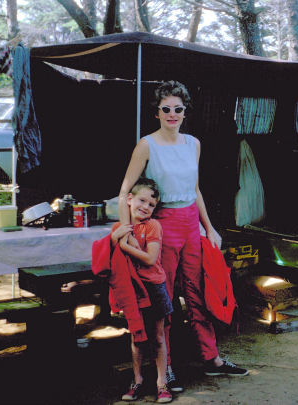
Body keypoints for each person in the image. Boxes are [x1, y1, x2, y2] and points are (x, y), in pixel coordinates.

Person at [118, 80, 248, 393]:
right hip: (163, 224)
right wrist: (128, 232)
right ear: (157, 112)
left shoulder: (193, 144)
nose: (172, 114)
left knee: (200, 293)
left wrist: (210, 227)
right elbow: (124, 191)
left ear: (185, 112)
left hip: (191, 223)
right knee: (164, 300)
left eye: (178, 109)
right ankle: (167, 369)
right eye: (166, 109)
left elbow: (195, 190)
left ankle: (211, 358)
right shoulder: (147, 145)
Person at [111, 178, 173, 403]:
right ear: (129, 199)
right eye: (141, 200)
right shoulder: (120, 228)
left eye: (151, 205)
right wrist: (115, 238)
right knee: (137, 337)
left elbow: (150, 258)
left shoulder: (153, 226)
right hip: (132, 289)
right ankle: (136, 381)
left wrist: (125, 245)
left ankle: (161, 383)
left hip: (154, 286)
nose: (145, 207)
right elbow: (110, 259)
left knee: (157, 337)